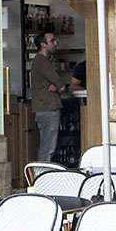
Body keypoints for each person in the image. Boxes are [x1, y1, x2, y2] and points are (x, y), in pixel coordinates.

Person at [29, 32, 67, 163]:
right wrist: (58, 87)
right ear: (43, 45)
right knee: (48, 147)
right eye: (52, 41)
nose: (56, 43)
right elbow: (61, 85)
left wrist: (56, 87)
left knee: (47, 145)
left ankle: (43, 174)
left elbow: (58, 85)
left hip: (44, 108)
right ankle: (43, 176)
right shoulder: (42, 61)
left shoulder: (40, 61)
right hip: (48, 108)